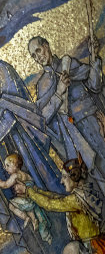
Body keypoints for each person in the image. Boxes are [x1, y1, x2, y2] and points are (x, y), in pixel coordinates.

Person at [0, 29, 64, 254]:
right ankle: (41, 251)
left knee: (38, 188)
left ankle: (63, 239)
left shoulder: (0, 70)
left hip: (19, 145)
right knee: (13, 199)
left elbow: (15, 111)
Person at [30, 36, 105, 192]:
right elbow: (44, 118)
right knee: (95, 175)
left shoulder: (68, 63)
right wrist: (59, 92)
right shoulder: (42, 85)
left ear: (46, 46)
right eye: (34, 56)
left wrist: (94, 57)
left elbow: (95, 86)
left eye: (38, 51)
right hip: (75, 135)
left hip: (94, 123)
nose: (38, 57)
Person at [18, 158, 105, 254]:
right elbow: (57, 198)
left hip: (93, 250)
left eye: (64, 177)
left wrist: (27, 191)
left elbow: (50, 204)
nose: (61, 181)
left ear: (74, 176)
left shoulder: (75, 200)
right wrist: (35, 190)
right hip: (92, 245)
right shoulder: (82, 193)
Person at [0, 153, 51, 243]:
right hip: (32, 200)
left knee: (11, 205)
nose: (5, 168)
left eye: (8, 165)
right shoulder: (26, 175)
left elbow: (5, 185)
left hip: (27, 200)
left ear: (16, 166)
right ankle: (34, 220)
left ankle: (25, 218)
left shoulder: (15, 176)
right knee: (28, 208)